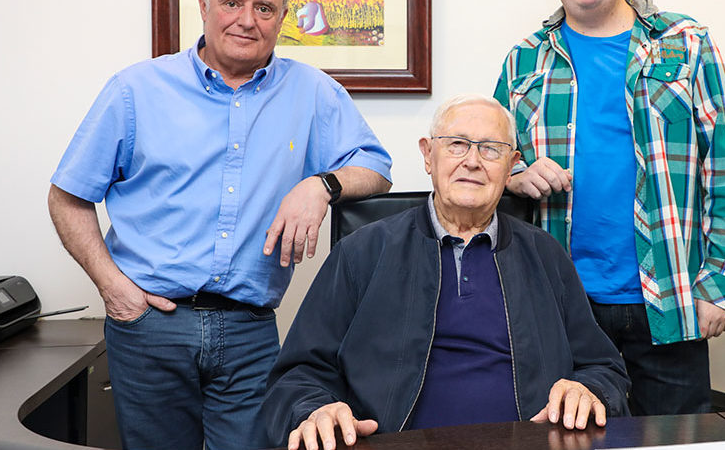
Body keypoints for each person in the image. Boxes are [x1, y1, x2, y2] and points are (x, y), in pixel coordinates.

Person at [47, 0, 392, 450]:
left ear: (283, 18)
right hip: (150, 326)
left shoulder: (312, 92)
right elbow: (67, 196)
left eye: (264, 8)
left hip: (251, 332)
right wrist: (113, 288)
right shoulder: (136, 90)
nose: (247, 20)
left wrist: (321, 185)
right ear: (204, 5)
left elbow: (377, 168)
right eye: (232, 3)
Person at [492, 0, 725, 416]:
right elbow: (490, 155)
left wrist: (721, 284)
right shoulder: (524, 60)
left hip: (670, 296)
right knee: (567, 438)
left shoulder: (686, 43)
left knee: (678, 443)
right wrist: (516, 173)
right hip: (564, 304)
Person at [261, 95, 629, 450]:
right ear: (427, 155)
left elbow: (602, 367)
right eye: (457, 144)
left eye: (491, 149)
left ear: (511, 164)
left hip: (530, 443)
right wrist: (314, 410)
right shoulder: (363, 251)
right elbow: (298, 374)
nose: (472, 161)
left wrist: (588, 390)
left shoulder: (545, 254)